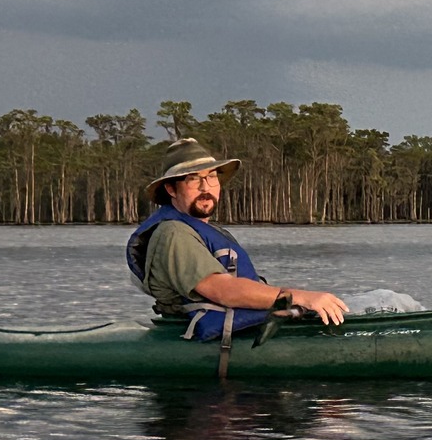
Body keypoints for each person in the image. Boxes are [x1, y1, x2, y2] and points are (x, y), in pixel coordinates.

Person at [127, 139, 347, 339]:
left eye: (211, 177)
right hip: (198, 337)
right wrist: (299, 296)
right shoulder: (174, 233)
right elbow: (223, 290)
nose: (206, 188)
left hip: (237, 330)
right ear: (171, 189)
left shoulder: (209, 231)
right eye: (193, 180)